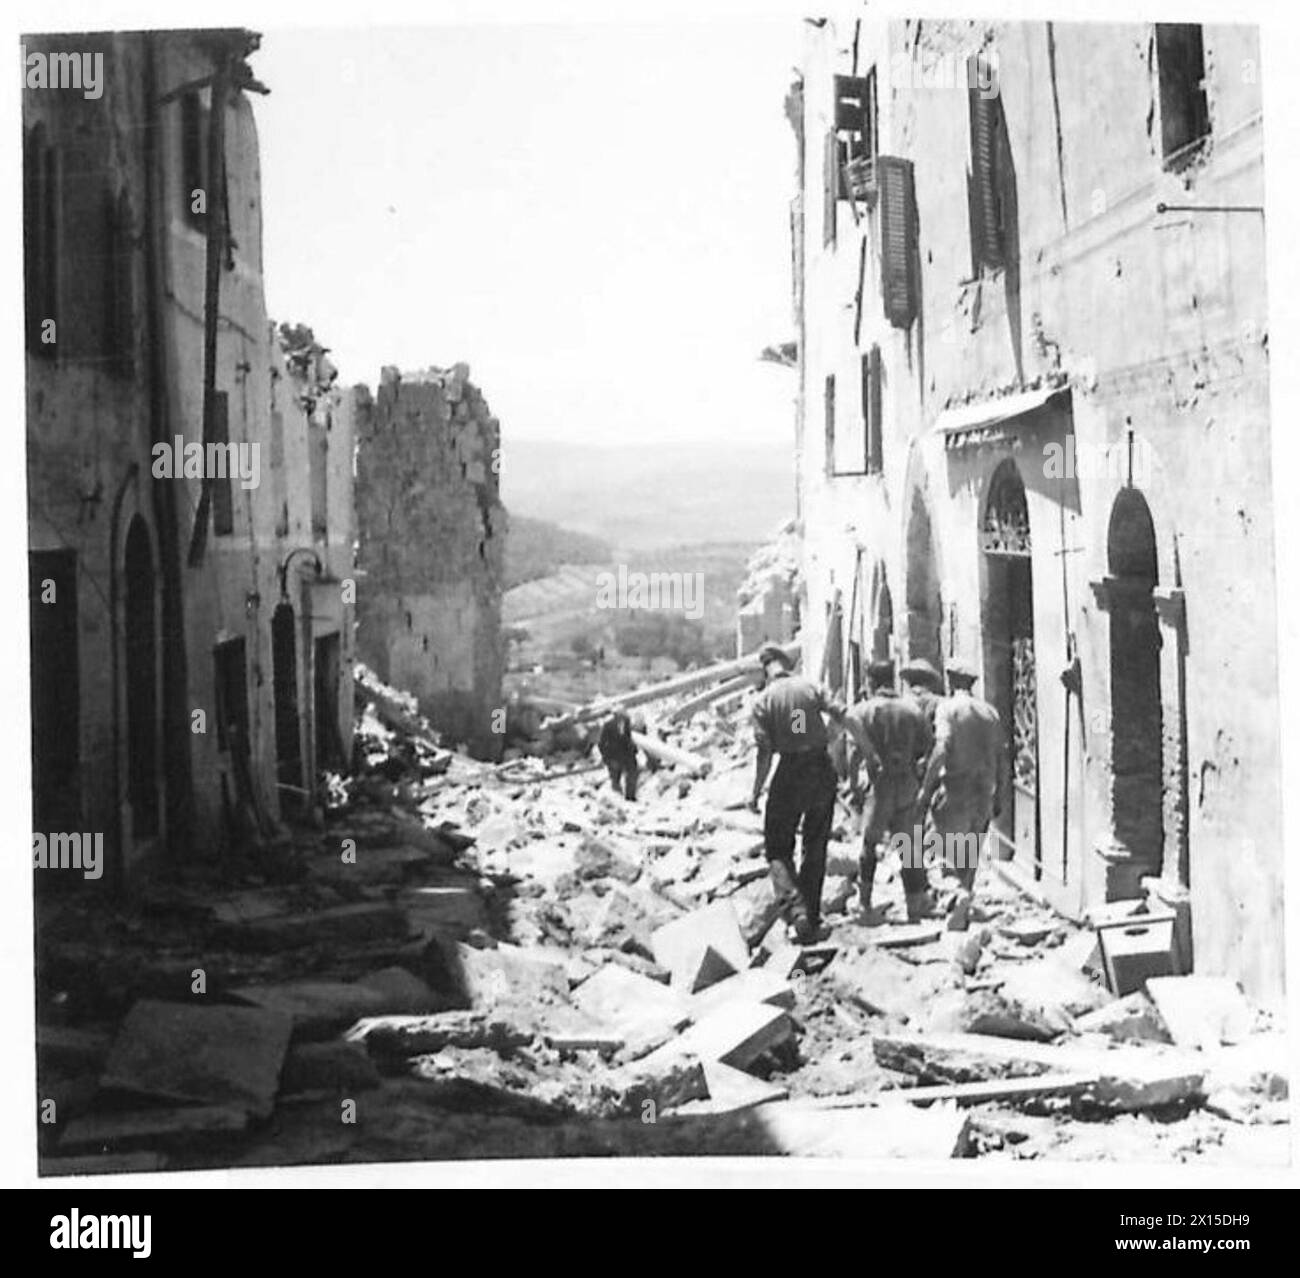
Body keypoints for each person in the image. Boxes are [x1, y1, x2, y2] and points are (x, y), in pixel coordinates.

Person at [749, 643, 842, 944]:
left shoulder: (763, 700)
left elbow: (764, 753)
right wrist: (828, 739)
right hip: (820, 768)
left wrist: (756, 791)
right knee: (815, 845)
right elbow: (840, 714)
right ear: (786, 664)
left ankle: (797, 910)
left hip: (789, 773)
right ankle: (811, 916)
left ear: (765, 670)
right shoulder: (809, 686)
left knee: (777, 847)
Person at [918, 661, 1010, 930]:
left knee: (943, 854)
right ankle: (961, 913)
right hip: (983, 792)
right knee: (969, 856)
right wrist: (1000, 795)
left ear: (950, 680)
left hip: (955, 789)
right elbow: (1003, 757)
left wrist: (926, 788)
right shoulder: (990, 713)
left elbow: (942, 749)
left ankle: (955, 901)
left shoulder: (948, 709)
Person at [844, 658, 934, 923]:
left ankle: (864, 902)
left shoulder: (863, 711)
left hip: (879, 785)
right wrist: (918, 773)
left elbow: (853, 754)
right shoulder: (911, 711)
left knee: (870, 844)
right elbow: (927, 747)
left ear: (870, 682)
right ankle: (914, 903)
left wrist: (853, 786)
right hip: (906, 782)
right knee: (907, 844)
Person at [598, 710, 639, 800]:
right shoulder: (608, 726)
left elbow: (628, 738)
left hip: (627, 755)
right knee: (616, 778)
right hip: (614, 756)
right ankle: (618, 799)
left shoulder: (627, 724)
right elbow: (601, 743)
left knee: (632, 774)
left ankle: (630, 797)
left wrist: (633, 749)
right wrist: (606, 758)